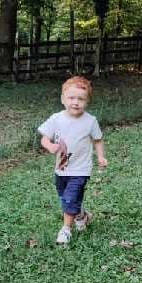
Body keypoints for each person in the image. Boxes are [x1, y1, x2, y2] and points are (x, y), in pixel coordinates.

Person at [37, 75, 107, 245]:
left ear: (87, 101)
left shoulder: (90, 121)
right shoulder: (56, 119)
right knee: (65, 198)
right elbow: (44, 138)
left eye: (81, 99)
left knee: (69, 198)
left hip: (81, 170)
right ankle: (81, 215)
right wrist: (49, 145)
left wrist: (101, 157)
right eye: (71, 98)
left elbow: (98, 140)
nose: (75, 102)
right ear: (63, 99)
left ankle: (66, 229)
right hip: (61, 169)